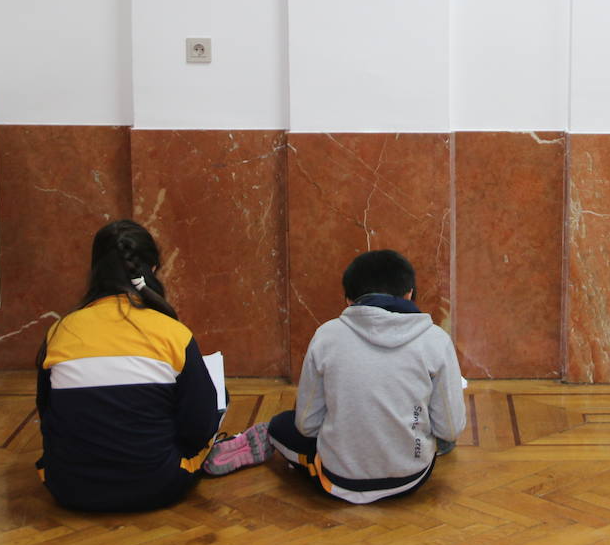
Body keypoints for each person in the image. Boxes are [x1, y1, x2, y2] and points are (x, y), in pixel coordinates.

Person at [35, 219, 252, 511]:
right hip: (155, 485)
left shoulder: (60, 332)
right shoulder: (172, 333)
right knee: (215, 395)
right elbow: (197, 427)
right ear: (150, 270)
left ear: (95, 269)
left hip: (69, 487)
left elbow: (47, 414)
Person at [260, 250, 466, 503]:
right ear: (410, 293)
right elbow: (451, 427)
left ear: (348, 300)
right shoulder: (436, 340)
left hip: (338, 479)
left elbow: (307, 425)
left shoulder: (327, 336)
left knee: (280, 424)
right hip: (410, 478)